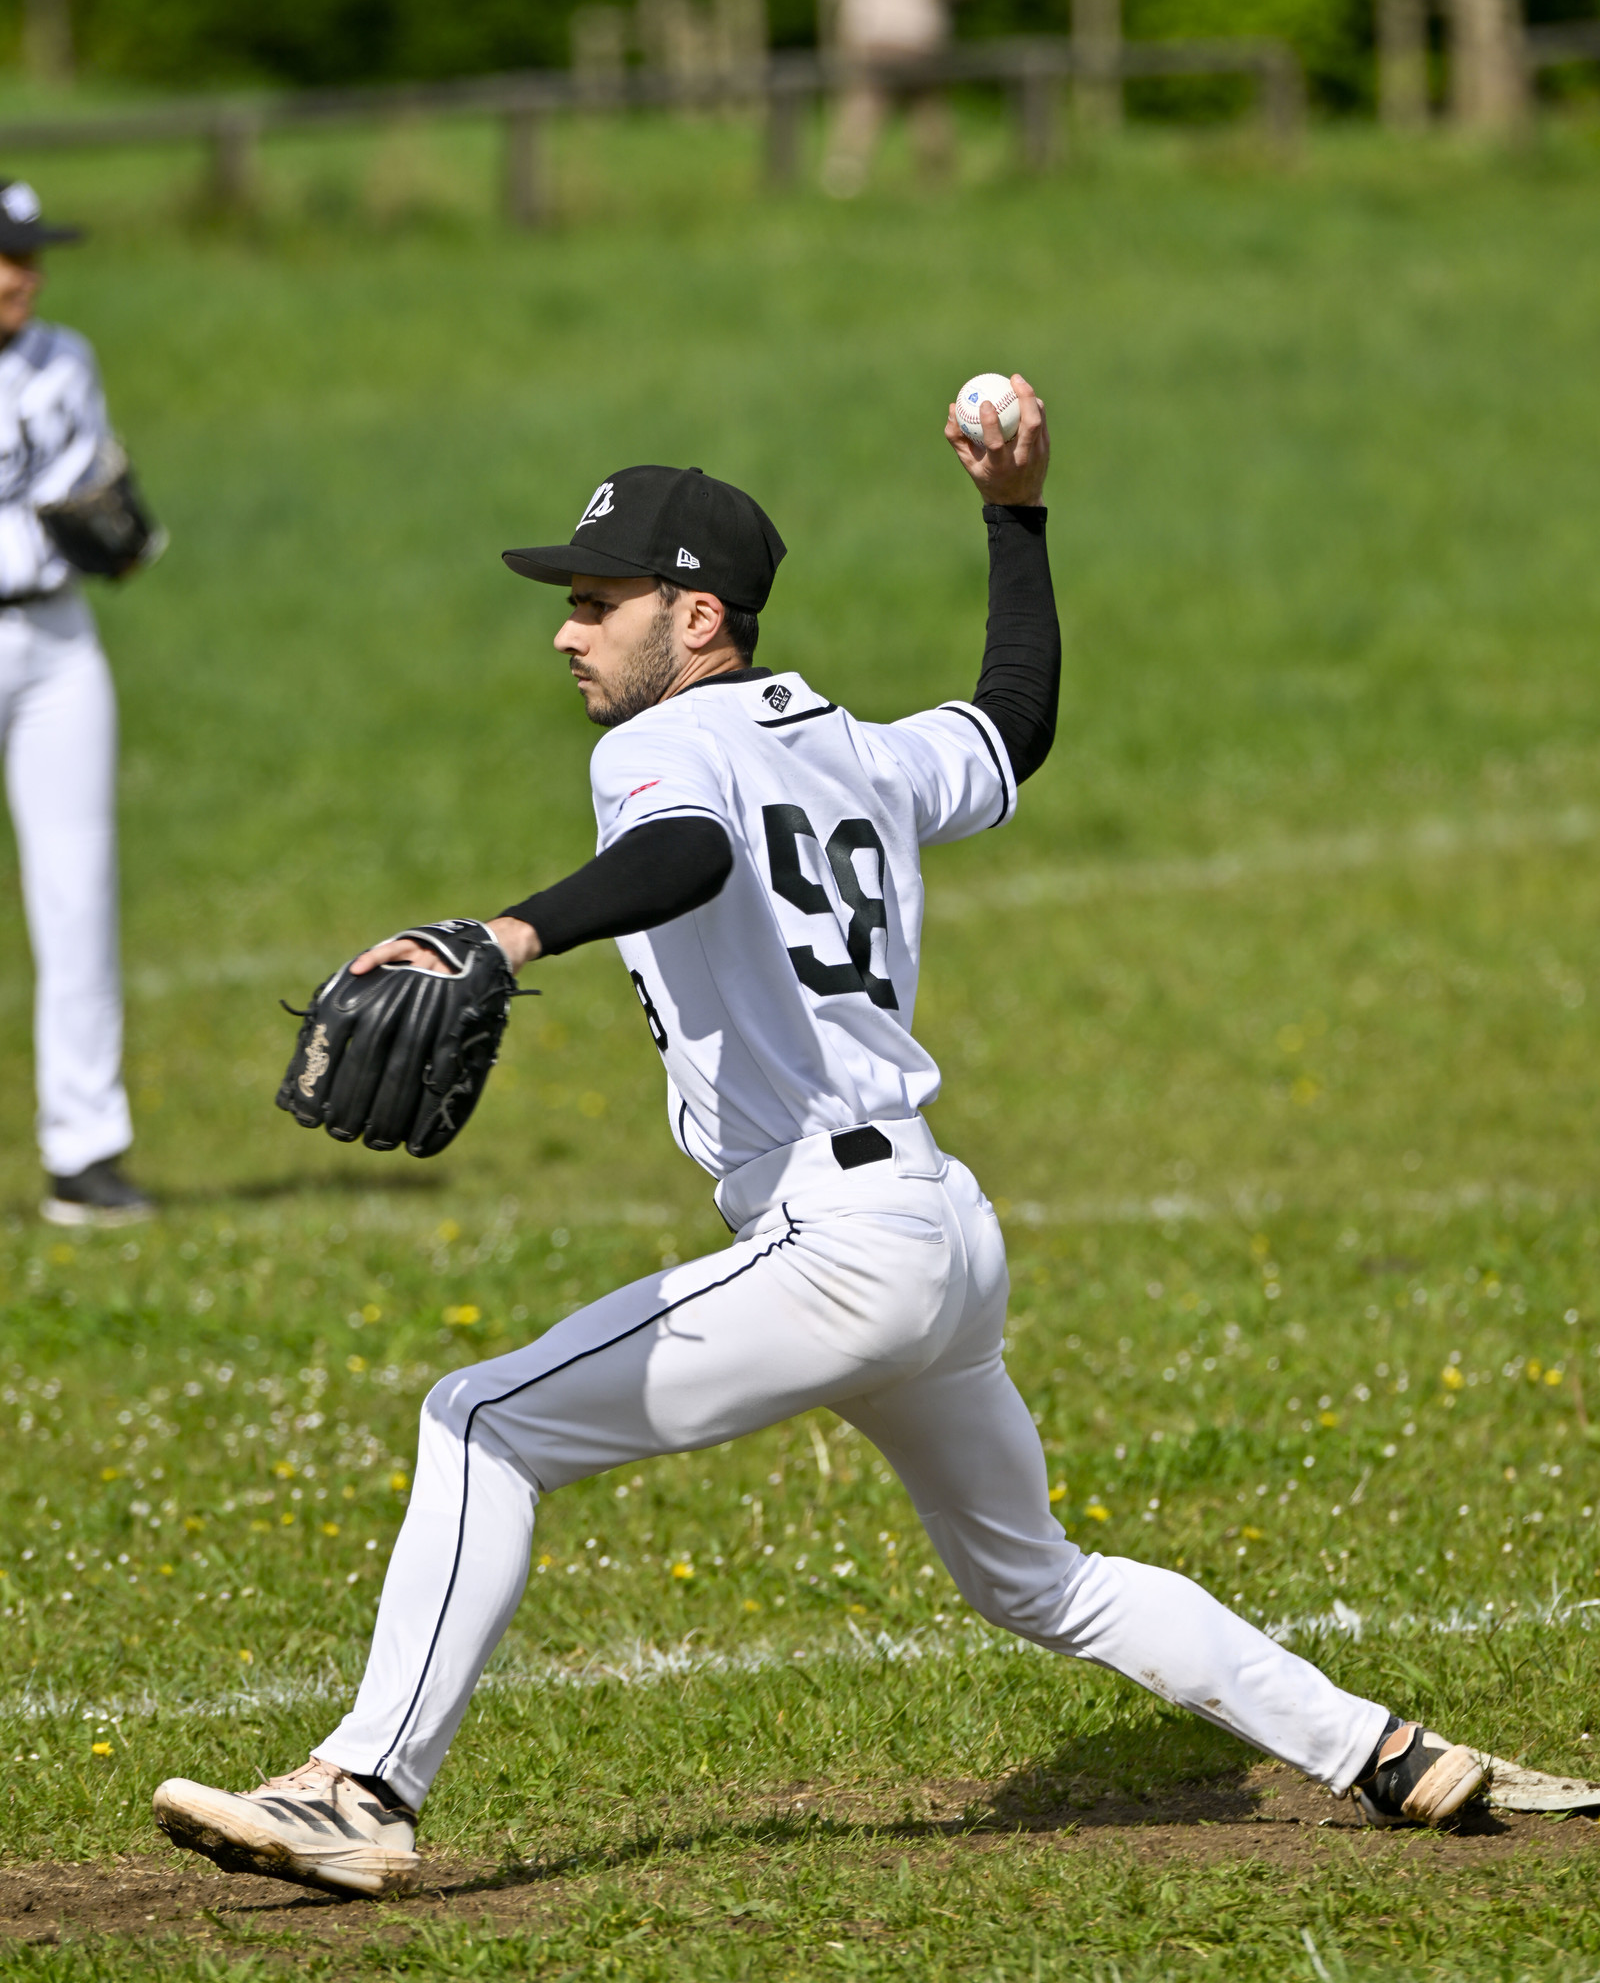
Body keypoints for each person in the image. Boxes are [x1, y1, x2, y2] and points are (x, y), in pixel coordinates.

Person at [153, 388, 1490, 1898]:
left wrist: (512, 931)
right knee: (1037, 1578)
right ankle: (1388, 1750)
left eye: (599, 602)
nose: (566, 632)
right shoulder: (859, 746)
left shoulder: (656, 754)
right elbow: (1013, 722)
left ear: (699, 617)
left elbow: (688, 852)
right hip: (935, 1227)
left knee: (482, 1420)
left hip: (833, 1245)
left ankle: (365, 1789)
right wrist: (1019, 517)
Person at [0, 180, 151, 1227]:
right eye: (3, 256)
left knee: (78, 885)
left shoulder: (64, 357)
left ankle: (85, 1150)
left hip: (56, 639)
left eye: (28, 255)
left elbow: (87, 487)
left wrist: (120, 528)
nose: (22, 275)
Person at [821, 0, 982, 198]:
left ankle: (842, 178)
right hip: (915, 34)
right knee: (927, 105)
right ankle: (938, 182)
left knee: (864, 104)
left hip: (867, 34)